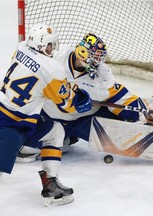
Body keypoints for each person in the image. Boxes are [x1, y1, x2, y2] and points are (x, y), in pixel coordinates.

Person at [17, 33, 153, 164]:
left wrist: (147, 113)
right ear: (82, 53)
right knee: (25, 151)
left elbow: (119, 97)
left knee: (122, 135)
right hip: (47, 116)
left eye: (99, 58)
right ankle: (65, 138)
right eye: (94, 57)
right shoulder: (57, 58)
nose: (98, 62)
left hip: (83, 119)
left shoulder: (101, 75)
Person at [0, 24, 92, 206]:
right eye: (50, 45)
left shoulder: (21, 47)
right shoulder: (52, 69)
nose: (52, 49)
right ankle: (50, 184)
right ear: (41, 45)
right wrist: (79, 98)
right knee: (55, 133)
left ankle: (51, 183)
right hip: (15, 121)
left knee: (55, 130)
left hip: (5, 108)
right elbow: (65, 103)